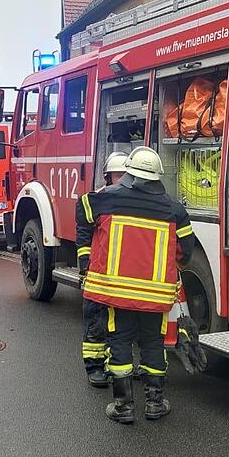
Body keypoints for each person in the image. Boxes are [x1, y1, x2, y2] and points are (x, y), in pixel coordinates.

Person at [76, 147, 195, 423]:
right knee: (153, 344)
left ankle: (123, 407)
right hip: (155, 296)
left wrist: (88, 256)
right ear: (156, 176)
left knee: (120, 344)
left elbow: (82, 209)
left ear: (129, 172)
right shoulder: (174, 209)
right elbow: (185, 251)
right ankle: (154, 403)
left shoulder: (106, 200)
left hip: (117, 293)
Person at [81, 152, 128, 388]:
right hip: (98, 273)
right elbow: (84, 236)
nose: (121, 180)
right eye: (118, 175)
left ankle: (116, 364)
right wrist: (84, 268)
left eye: (125, 175)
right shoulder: (96, 200)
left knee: (120, 323)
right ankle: (94, 367)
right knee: (96, 320)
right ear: (108, 177)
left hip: (121, 273)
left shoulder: (130, 200)